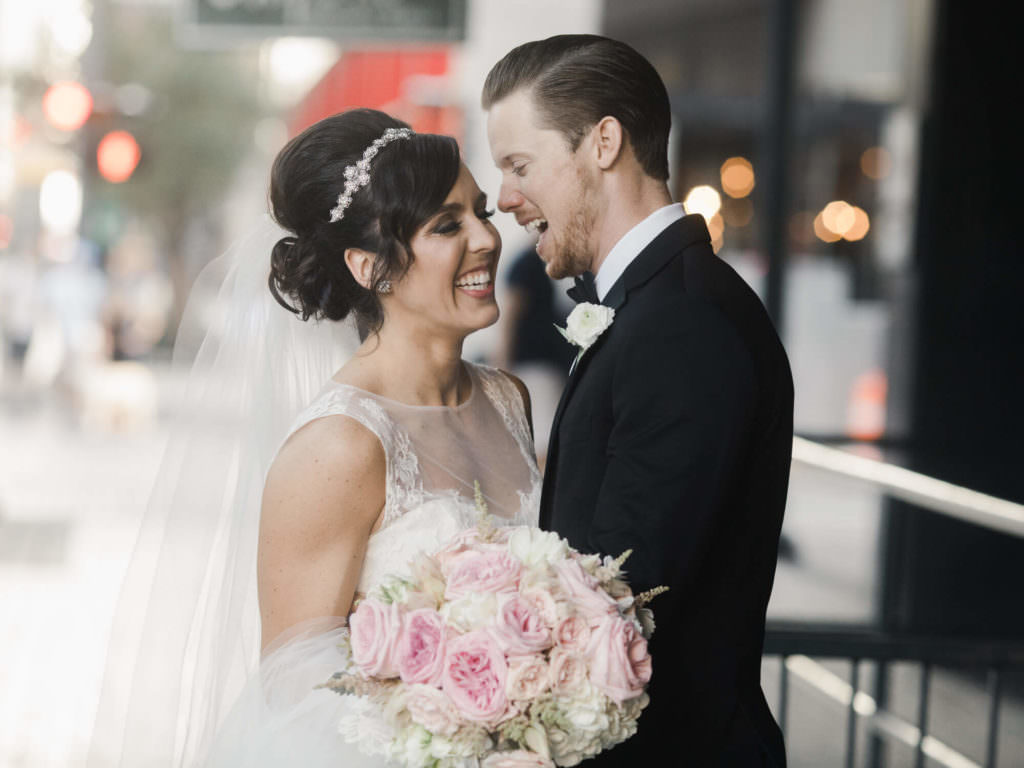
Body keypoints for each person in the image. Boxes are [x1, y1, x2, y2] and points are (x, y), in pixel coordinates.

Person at [88, 109, 541, 767]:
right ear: (370, 266)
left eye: (482, 213)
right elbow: (300, 697)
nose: (485, 238)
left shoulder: (510, 400)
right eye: (448, 225)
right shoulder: (340, 446)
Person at [484, 35, 793, 766]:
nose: (504, 198)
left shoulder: (680, 324)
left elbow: (620, 596)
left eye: (518, 166)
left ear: (604, 142)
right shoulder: (659, 307)